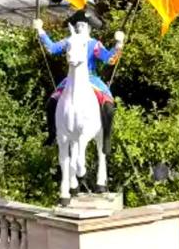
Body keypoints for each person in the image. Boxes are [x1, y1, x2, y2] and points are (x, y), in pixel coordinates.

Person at [33, 9, 125, 162]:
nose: (79, 28)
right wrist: (40, 30)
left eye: (83, 25)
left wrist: (118, 44)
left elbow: (109, 59)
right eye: (78, 25)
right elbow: (52, 48)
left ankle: (106, 138)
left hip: (91, 78)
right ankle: (52, 134)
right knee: (51, 102)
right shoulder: (69, 41)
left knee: (108, 105)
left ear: (89, 27)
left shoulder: (94, 44)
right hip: (70, 78)